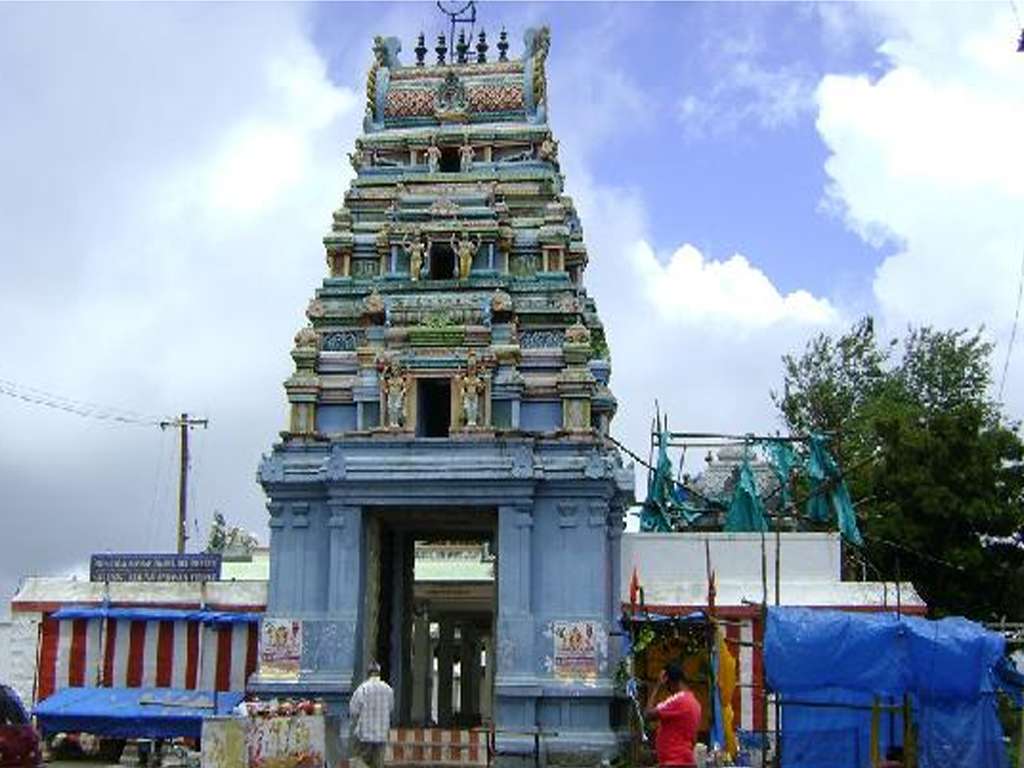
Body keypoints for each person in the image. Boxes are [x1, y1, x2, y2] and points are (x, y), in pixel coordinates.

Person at [645, 663, 701, 768]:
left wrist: (657, 686)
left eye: (666, 684)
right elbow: (693, 738)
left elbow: (648, 714)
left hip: (674, 761)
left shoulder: (679, 700)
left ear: (669, 681)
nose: (667, 689)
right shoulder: (694, 702)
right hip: (685, 760)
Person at [349, 661, 394, 768]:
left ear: (368, 673)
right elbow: (391, 708)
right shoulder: (388, 689)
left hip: (364, 735)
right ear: (379, 673)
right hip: (382, 734)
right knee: (378, 764)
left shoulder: (362, 689)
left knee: (359, 761)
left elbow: (353, 711)